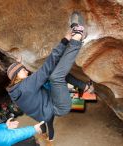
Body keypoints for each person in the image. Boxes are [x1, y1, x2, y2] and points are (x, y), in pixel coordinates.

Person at [6, 12, 94, 143]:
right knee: (56, 76)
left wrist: (17, 64)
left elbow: (15, 73)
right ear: (16, 77)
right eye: (22, 70)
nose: (26, 70)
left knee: (58, 76)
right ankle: (78, 37)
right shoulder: (26, 86)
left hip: (46, 109)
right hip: (59, 107)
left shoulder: (15, 90)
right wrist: (64, 41)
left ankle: (86, 87)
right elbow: (47, 65)